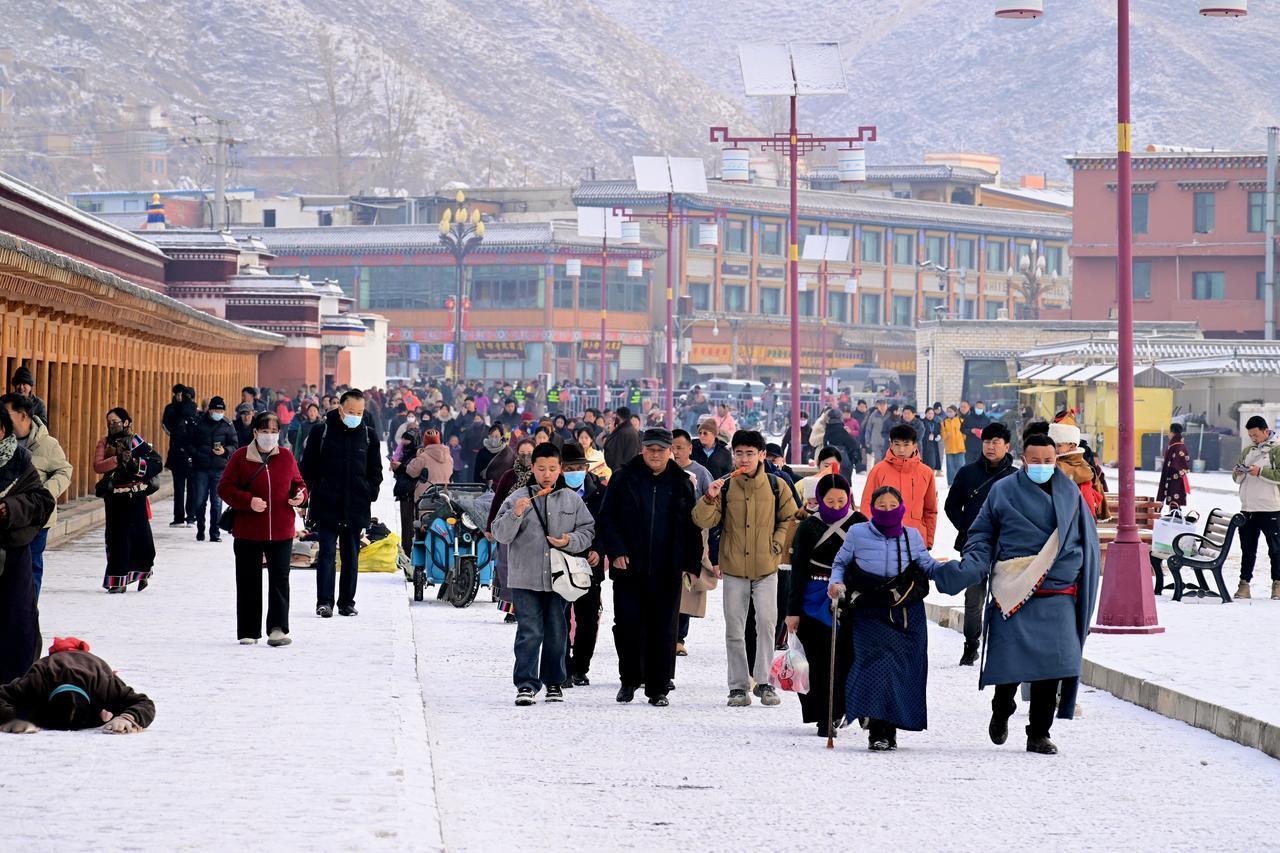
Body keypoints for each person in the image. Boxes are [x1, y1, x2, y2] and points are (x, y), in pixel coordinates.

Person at [933, 433, 1101, 755]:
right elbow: (981, 533)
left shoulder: (1070, 495)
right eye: (1035, 461)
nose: (1042, 466)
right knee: (1009, 662)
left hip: (1058, 590)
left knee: (1052, 666)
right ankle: (1002, 707)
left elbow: (1085, 541)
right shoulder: (1003, 491)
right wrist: (974, 563)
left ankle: (1039, 733)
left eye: (1048, 461)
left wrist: (1075, 569)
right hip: (1013, 587)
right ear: (1024, 460)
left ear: (1056, 460)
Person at [828, 485, 947, 750]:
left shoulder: (912, 536)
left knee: (899, 671)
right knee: (876, 665)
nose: (887, 511)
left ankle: (888, 729)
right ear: (872, 508)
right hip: (869, 609)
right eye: (881, 506)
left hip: (904, 611)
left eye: (893, 506)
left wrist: (949, 570)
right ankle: (877, 731)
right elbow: (840, 563)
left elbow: (926, 565)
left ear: (902, 508)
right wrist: (836, 584)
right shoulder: (857, 533)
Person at [692, 429, 799, 708]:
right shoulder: (725, 487)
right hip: (735, 568)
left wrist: (776, 544)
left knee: (765, 624)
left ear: (762, 455)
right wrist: (709, 497)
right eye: (739, 453)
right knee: (734, 628)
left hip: (766, 567)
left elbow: (789, 517)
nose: (744, 459)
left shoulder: (777, 485)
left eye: (750, 453)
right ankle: (738, 686)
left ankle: (763, 682)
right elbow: (702, 520)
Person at [600, 428, 701, 707]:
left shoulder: (682, 483)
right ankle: (629, 680)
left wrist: (691, 563)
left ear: (670, 451)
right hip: (629, 567)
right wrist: (617, 550)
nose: (655, 454)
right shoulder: (623, 478)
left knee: (663, 628)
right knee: (628, 626)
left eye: (661, 449)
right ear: (642, 449)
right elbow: (607, 519)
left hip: (666, 568)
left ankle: (658, 687)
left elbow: (692, 526)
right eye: (650, 449)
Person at [492, 443, 596, 706]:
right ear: (533, 469)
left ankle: (554, 682)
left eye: (552, 468)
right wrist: (515, 514)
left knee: (556, 631)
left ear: (560, 468)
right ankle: (526, 684)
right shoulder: (517, 498)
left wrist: (569, 540)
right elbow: (500, 534)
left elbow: (588, 531)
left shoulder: (571, 499)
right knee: (529, 631)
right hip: (525, 578)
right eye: (541, 469)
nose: (547, 474)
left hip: (558, 580)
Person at [785, 474, 865, 737]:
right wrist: (792, 611)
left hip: (850, 599)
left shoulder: (859, 523)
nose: (835, 505)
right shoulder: (808, 527)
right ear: (819, 500)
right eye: (829, 501)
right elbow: (797, 571)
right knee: (817, 659)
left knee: (847, 656)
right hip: (813, 597)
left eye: (841, 500)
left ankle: (840, 708)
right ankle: (823, 715)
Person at [218, 412, 307, 647]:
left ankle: (277, 628)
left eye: (274, 431)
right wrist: (248, 501)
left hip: (281, 530)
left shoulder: (286, 457)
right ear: (255, 433)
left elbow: (299, 484)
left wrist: (300, 496)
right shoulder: (240, 458)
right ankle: (248, 630)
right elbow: (224, 488)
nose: (270, 436)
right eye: (265, 431)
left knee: (280, 580)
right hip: (248, 530)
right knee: (248, 580)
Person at [301, 389, 382, 618]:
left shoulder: (368, 435)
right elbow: (308, 468)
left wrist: (369, 492)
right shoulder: (322, 431)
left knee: (351, 555)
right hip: (327, 504)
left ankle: (346, 602)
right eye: (351, 411)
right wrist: (305, 498)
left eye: (359, 412)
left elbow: (375, 471)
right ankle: (324, 602)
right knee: (326, 553)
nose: (355, 415)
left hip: (356, 505)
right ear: (340, 409)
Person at [944, 422, 1017, 666]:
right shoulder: (967, 473)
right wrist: (968, 528)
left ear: (1007, 446)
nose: (991, 446)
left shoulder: (1016, 476)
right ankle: (971, 645)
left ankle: (1000, 645)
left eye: (996, 442)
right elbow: (951, 506)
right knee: (973, 597)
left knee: (1004, 598)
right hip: (973, 546)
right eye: (987, 442)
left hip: (1007, 548)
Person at [0, 404, 54, 683]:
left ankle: (14, 684)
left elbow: (43, 502)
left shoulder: (20, 462)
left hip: (11, 556)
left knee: (16, 622)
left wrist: (10, 508)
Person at [0, 641, 155, 733]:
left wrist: (126, 718)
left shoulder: (102, 684)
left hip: (89, 666)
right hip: (59, 663)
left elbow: (144, 703)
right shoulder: (38, 681)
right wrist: (12, 718)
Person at [1, 394, 70, 602]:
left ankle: (30, 610)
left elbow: (64, 471)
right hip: (9, 518)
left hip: (36, 518)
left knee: (30, 568)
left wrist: (43, 494)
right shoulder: (6, 442)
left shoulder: (47, 444)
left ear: (23, 416)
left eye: (6, 413)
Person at [92, 408, 162, 593]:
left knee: (141, 538)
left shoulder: (135, 441)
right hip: (114, 498)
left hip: (136, 497)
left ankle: (143, 573)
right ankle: (117, 581)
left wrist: (134, 464)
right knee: (117, 539)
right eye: (109, 422)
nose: (112, 425)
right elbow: (98, 466)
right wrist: (117, 459)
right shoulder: (104, 442)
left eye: (115, 422)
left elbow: (156, 461)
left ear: (126, 422)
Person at [559, 444, 607, 687]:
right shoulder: (552, 490)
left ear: (586, 468)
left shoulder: (598, 491)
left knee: (587, 618)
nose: (574, 472)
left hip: (590, 563)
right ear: (561, 469)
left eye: (578, 467)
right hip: (559, 562)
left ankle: (581, 666)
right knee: (561, 617)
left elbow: (606, 524)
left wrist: (599, 549)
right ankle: (563, 666)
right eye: (569, 468)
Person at [861, 424, 938, 548]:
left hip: (916, 541)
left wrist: (928, 541)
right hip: (883, 540)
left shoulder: (926, 473)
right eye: (897, 444)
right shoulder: (878, 470)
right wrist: (871, 536)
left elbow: (930, 510)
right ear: (891, 444)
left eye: (906, 444)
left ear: (914, 445)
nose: (901, 449)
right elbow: (866, 505)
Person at [1231, 415, 1280, 600]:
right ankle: (1244, 585)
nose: (1253, 438)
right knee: (1247, 549)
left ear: (1266, 431)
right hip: (1248, 508)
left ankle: (1277, 585)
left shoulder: (1276, 450)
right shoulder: (1247, 451)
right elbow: (1237, 480)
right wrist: (1238, 472)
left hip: (1271, 509)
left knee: (1275, 549)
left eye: (1256, 435)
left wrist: (1260, 472)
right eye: (1250, 435)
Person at [488, 438, 536, 620]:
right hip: (509, 526)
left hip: (531, 529)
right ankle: (511, 610)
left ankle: (528, 609)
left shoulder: (539, 475)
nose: (525, 457)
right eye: (522, 454)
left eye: (529, 454)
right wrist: (490, 526)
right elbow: (497, 501)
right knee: (507, 569)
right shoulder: (509, 476)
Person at [190, 396, 239, 543]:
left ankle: (214, 532)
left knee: (217, 502)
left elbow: (234, 444)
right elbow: (189, 443)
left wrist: (225, 451)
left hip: (219, 468)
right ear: (210, 410)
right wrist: (198, 454)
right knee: (200, 501)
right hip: (201, 468)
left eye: (221, 410)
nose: (219, 413)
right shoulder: (198, 423)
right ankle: (200, 528)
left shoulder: (228, 424)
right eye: (216, 410)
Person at [1048, 412, 1109, 522]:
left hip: (1076, 514)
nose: (1055, 448)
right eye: (1053, 444)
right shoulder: (1054, 460)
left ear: (1072, 446)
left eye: (1059, 445)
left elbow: (1087, 475)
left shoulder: (1078, 462)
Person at [161, 384, 197, 527]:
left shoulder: (173, 409)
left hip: (180, 451)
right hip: (188, 452)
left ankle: (181, 517)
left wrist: (176, 434)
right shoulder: (193, 410)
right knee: (188, 487)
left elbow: (166, 426)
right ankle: (189, 516)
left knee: (181, 486)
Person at [1156, 423, 1192, 511]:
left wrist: (1174, 472)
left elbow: (1180, 463)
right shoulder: (1178, 445)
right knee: (1173, 499)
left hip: (1174, 477)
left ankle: (1175, 518)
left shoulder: (1177, 446)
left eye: (1170, 432)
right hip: (1172, 477)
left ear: (1172, 433)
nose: (1168, 434)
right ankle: (1174, 516)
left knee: (1174, 499)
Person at [796, 447, 842, 512]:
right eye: (826, 466)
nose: (830, 470)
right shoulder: (802, 484)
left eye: (834, 466)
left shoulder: (843, 486)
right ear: (818, 463)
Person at [603, 406, 641, 473]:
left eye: (615, 418)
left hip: (622, 473)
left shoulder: (623, 433)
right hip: (623, 471)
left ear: (618, 417)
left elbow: (616, 455)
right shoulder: (626, 431)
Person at [941, 405, 967, 485]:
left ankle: (961, 483)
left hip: (960, 448)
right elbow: (942, 435)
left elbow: (964, 433)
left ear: (955, 412)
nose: (949, 413)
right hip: (949, 448)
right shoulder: (944, 422)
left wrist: (962, 439)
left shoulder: (960, 420)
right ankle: (951, 483)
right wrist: (946, 435)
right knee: (950, 468)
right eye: (948, 411)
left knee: (961, 467)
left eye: (951, 411)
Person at [962, 400, 992, 464]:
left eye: (981, 408)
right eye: (978, 408)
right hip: (970, 447)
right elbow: (962, 429)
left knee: (980, 466)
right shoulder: (968, 418)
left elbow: (990, 432)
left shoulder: (987, 419)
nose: (979, 409)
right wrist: (970, 430)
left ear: (983, 408)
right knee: (969, 466)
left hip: (982, 448)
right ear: (975, 407)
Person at [863, 399, 889, 468]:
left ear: (887, 406)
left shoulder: (890, 415)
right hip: (875, 442)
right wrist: (867, 440)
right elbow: (868, 429)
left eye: (884, 405)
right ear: (877, 406)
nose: (882, 407)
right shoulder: (873, 415)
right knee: (879, 459)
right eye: (880, 405)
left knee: (886, 460)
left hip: (887, 442)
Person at [919, 406, 942, 471]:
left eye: (932, 413)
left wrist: (938, 436)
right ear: (925, 414)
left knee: (932, 464)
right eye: (929, 413)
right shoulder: (922, 422)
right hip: (924, 446)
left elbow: (938, 432)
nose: (930, 415)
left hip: (932, 446)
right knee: (923, 465)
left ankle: (931, 479)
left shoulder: (936, 423)